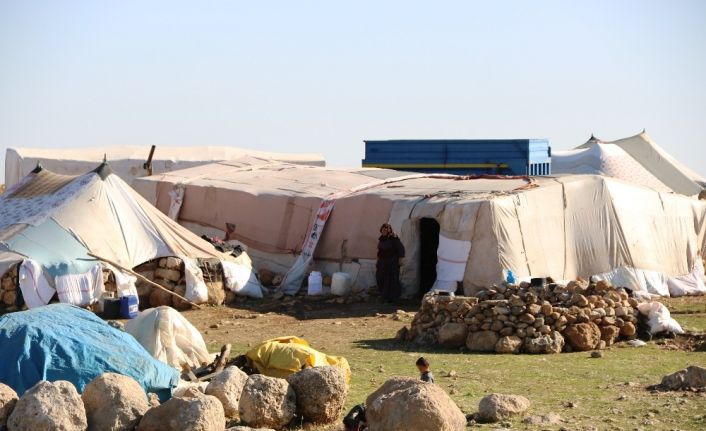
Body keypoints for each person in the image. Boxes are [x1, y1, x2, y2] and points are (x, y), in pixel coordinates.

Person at [376, 223, 405, 303]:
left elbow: (401, 248)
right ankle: (384, 296)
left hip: (392, 262)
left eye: (386, 229)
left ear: (389, 230)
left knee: (392, 279)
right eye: (383, 229)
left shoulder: (394, 238)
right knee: (381, 278)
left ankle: (392, 298)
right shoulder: (381, 239)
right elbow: (380, 251)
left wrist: (400, 259)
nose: (384, 231)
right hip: (382, 262)